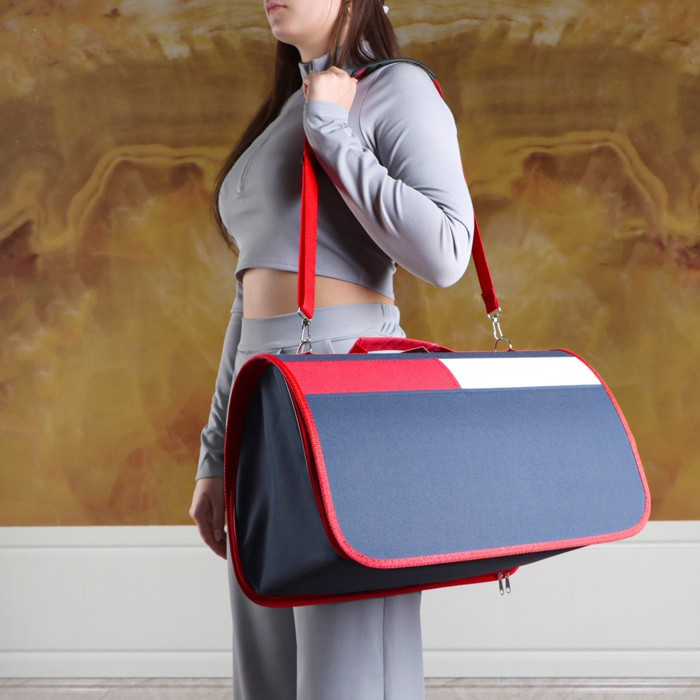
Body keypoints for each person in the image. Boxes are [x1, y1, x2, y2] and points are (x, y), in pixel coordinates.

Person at [189, 0, 474, 697]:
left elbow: (447, 251)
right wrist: (215, 455)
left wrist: (331, 130)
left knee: (350, 663)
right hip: (265, 394)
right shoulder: (288, 107)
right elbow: (249, 299)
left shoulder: (395, 89)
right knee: (267, 663)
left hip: (349, 395)